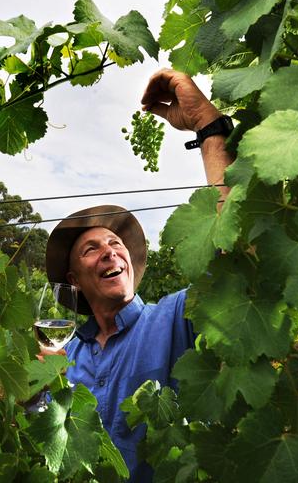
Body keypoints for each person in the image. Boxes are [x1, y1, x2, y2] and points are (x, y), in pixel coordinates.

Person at [43, 69, 234, 481]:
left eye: (116, 244)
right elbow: (51, 444)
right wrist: (34, 393)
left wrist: (208, 126)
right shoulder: (67, 356)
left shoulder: (174, 317)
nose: (111, 251)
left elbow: (238, 254)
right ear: (74, 278)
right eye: (92, 249)